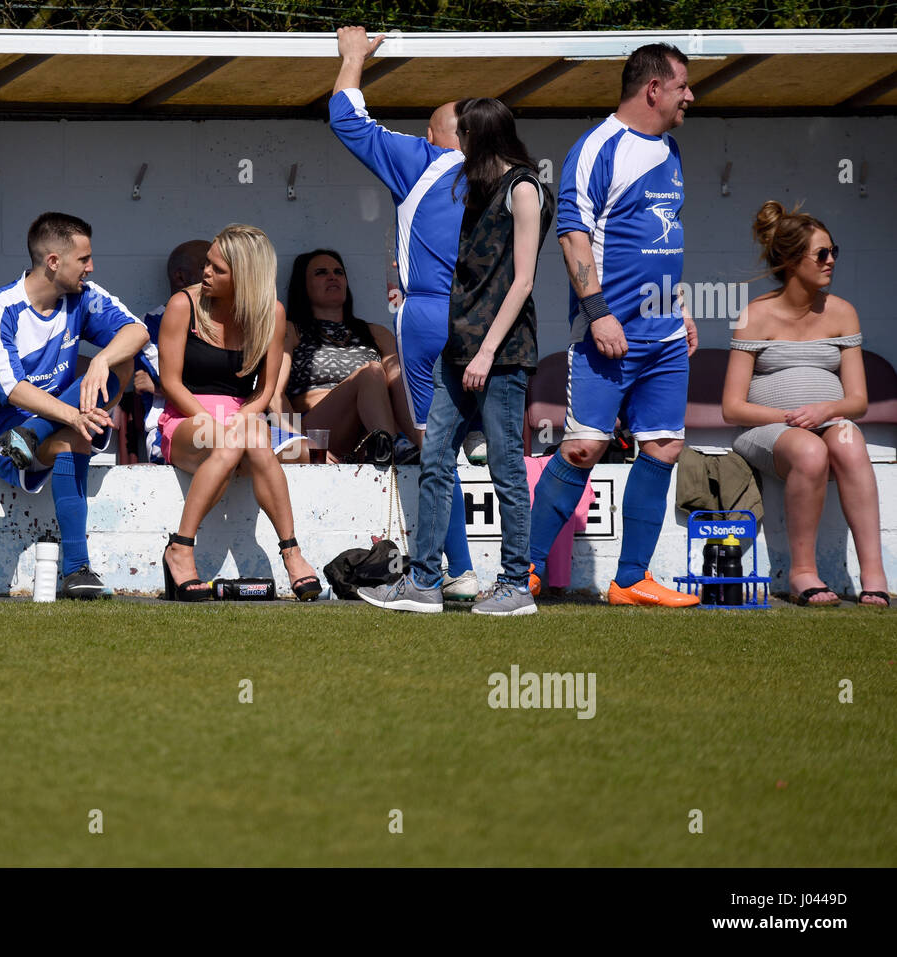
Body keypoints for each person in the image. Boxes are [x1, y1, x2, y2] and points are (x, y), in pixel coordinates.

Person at [360, 98, 553, 616]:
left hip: (500, 352)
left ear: (480, 137)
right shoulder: (479, 188)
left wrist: (487, 352)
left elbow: (524, 281)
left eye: (462, 137)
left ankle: (516, 585)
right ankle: (425, 584)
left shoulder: (525, 188)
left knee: (507, 468)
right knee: (436, 458)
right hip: (459, 345)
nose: (454, 148)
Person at [525, 43, 700, 607]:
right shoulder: (599, 147)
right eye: (682, 86)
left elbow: (663, 238)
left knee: (665, 447)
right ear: (654, 89)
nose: (689, 96)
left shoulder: (670, 150)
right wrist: (597, 312)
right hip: (608, 332)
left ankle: (630, 581)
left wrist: (683, 305)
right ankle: (522, 569)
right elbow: (571, 233)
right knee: (582, 448)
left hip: (666, 334)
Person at [330, 25, 478, 600]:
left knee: (436, 450)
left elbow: (348, 119)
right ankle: (518, 575)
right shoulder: (510, 176)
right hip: (493, 322)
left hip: (428, 319)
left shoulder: (424, 159)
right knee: (493, 451)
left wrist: (351, 58)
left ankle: (451, 574)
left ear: (436, 136)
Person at [0, 212, 148, 598]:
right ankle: (76, 567)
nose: (91, 267)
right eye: (83, 259)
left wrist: (99, 359)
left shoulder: (83, 296)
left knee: (121, 359)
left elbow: (137, 331)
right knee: (74, 438)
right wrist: (74, 415)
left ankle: (34, 435)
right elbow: (11, 389)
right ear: (54, 261)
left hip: (42, 427)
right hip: (2, 431)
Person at [722, 202, 889, 607]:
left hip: (825, 422)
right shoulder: (756, 315)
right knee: (810, 450)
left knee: (849, 441)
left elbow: (858, 401)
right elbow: (732, 408)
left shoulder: (843, 312)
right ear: (793, 260)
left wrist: (825, 411)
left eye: (834, 251)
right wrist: (791, 418)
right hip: (766, 432)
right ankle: (801, 573)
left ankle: (873, 573)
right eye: (822, 254)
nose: (831, 261)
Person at [157, 224, 321, 602]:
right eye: (207, 264)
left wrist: (246, 417)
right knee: (237, 441)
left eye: (217, 268)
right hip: (187, 417)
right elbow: (172, 383)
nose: (205, 273)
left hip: (243, 419)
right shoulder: (184, 305)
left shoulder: (272, 314)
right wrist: (211, 421)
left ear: (244, 276)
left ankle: (291, 552)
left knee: (256, 441)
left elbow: (265, 389)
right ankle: (181, 547)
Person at [273, 248, 413, 464]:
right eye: (321, 272)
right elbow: (274, 395)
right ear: (303, 286)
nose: (332, 276)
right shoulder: (291, 330)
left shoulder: (376, 333)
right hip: (318, 432)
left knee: (390, 378)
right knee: (371, 372)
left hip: (367, 434)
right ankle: (392, 446)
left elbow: (402, 387)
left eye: (339, 272)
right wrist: (301, 445)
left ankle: (396, 444)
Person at [135, 240, 211, 463]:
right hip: (167, 433)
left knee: (291, 449)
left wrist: (157, 387)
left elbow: (251, 386)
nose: (214, 273)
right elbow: (178, 383)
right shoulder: (147, 325)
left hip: (226, 424)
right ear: (181, 277)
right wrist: (162, 387)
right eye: (207, 265)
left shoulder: (234, 322)